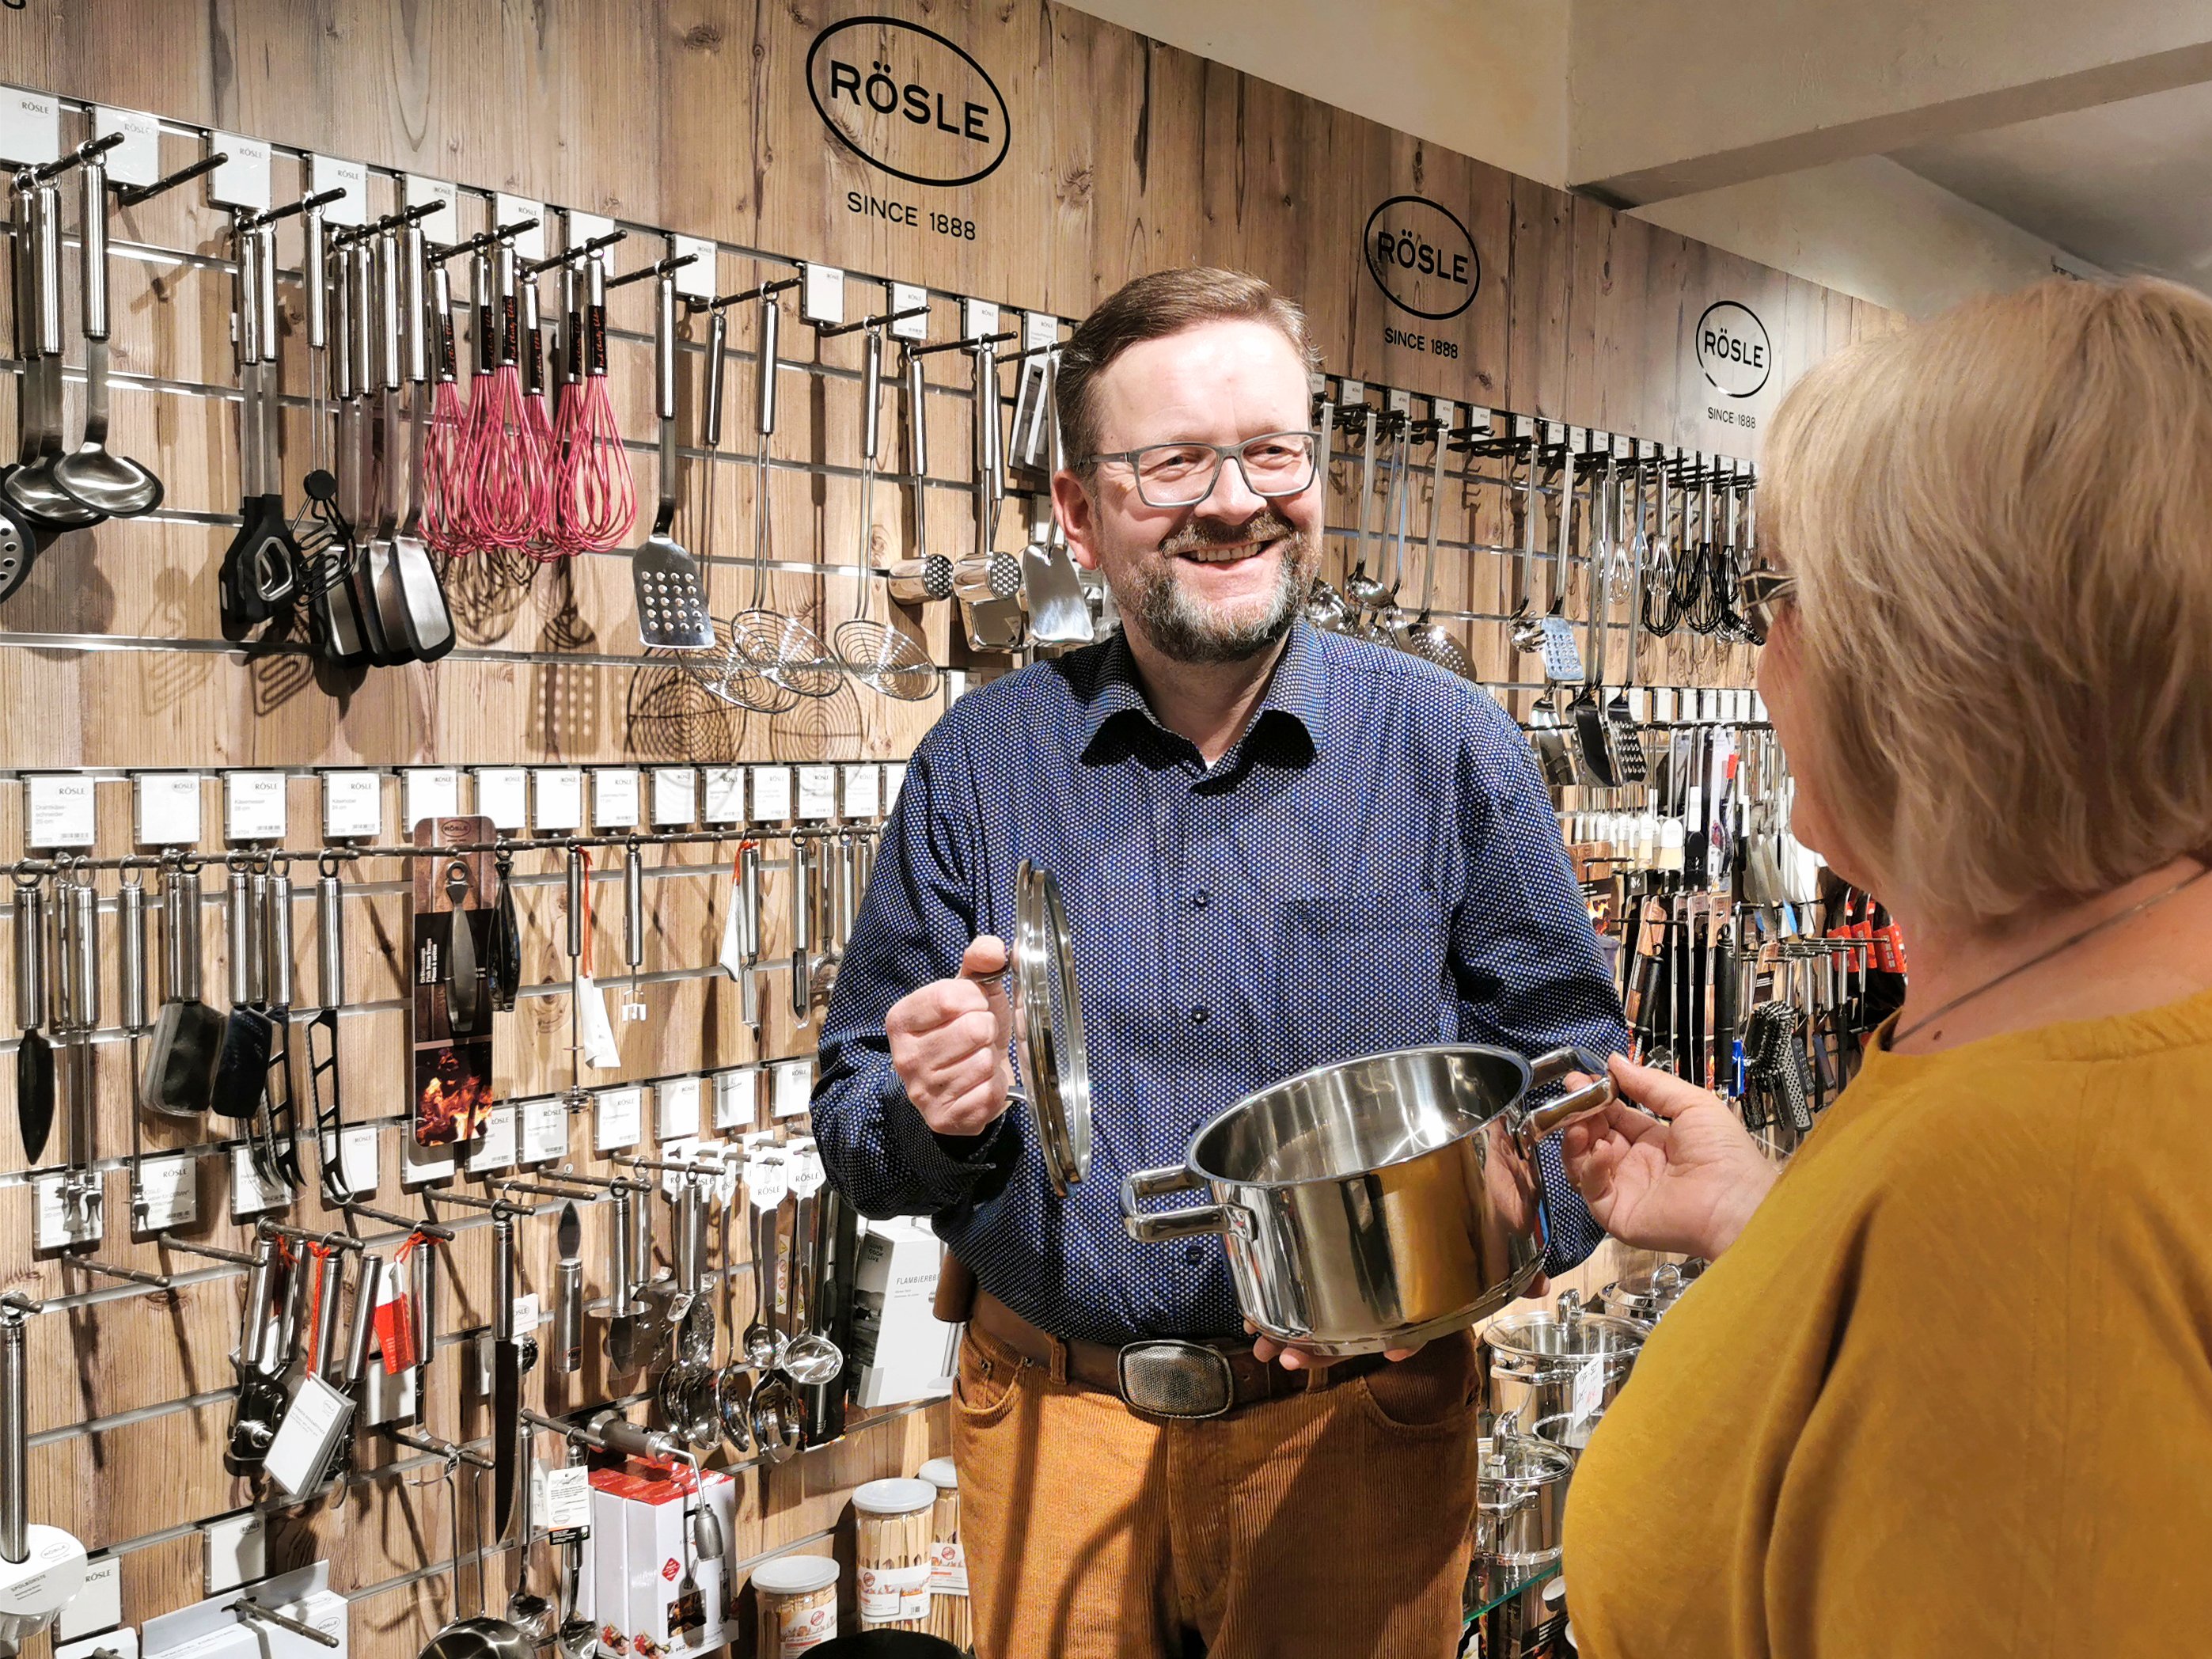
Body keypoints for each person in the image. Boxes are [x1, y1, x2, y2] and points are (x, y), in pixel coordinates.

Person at [811, 266, 1626, 1659]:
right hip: (1054, 1428)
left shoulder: (1447, 750)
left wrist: (1440, 1267)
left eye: (1271, 449)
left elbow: (1575, 1093)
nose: (1236, 499)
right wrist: (931, 1113)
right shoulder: (977, 767)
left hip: (1356, 1438)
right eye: (1175, 461)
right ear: (1077, 511)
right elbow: (854, 1127)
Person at [1558, 275, 2212, 1657]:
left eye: (1778, 594)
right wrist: (1780, 1221)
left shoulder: (2037, 1207)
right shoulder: (2055, 1032)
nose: (1765, 644)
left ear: (1934, 662)